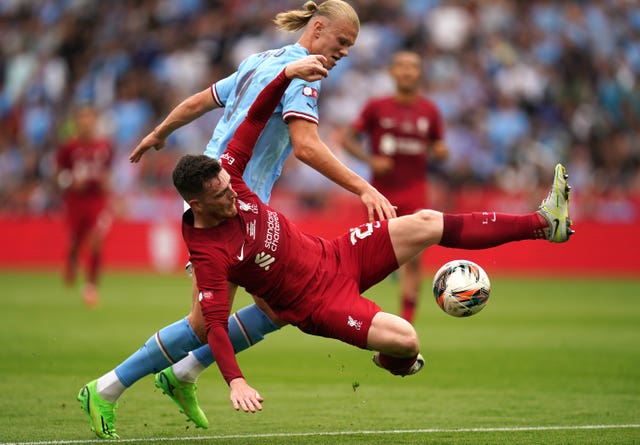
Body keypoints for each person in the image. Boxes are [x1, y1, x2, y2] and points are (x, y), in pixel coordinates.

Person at [167, 56, 572, 414]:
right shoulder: (207, 253)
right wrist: (235, 380)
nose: (231, 196)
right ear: (197, 204)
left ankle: (542, 223)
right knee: (406, 340)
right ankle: (393, 361)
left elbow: (255, 117)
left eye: (226, 184)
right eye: (221, 195)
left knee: (427, 221)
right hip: (320, 304)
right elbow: (215, 326)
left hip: (339, 254)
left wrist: (287, 73)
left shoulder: (229, 172)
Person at [78, 1, 396, 439]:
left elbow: (200, 101)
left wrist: (161, 132)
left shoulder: (259, 60)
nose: (344, 53)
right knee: (201, 322)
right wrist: (363, 186)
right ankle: (106, 388)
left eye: (350, 47)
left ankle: (184, 373)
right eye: (341, 42)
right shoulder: (303, 76)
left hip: (224, 192)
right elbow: (305, 145)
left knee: (278, 306)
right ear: (318, 28)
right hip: (227, 204)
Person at [342, 50, 449, 323]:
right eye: (402, 66)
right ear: (392, 72)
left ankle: (406, 322)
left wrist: (440, 151)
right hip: (380, 196)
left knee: (414, 261)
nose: (407, 71)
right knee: (364, 260)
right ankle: (349, 315)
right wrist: (371, 160)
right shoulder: (377, 107)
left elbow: (439, 146)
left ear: (419, 73)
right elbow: (347, 140)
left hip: (415, 194)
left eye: (413, 67)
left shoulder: (430, 111)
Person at [56, 105, 113, 307]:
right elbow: (58, 175)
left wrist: (108, 183)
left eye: (90, 118)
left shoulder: (104, 146)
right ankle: (71, 262)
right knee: (75, 243)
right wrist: (70, 181)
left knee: (96, 239)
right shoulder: (68, 148)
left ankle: (91, 286)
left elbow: (107, 171)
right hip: (75, 200)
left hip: (97, 199)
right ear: (77, 122)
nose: (86, 122)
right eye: (82, 118)